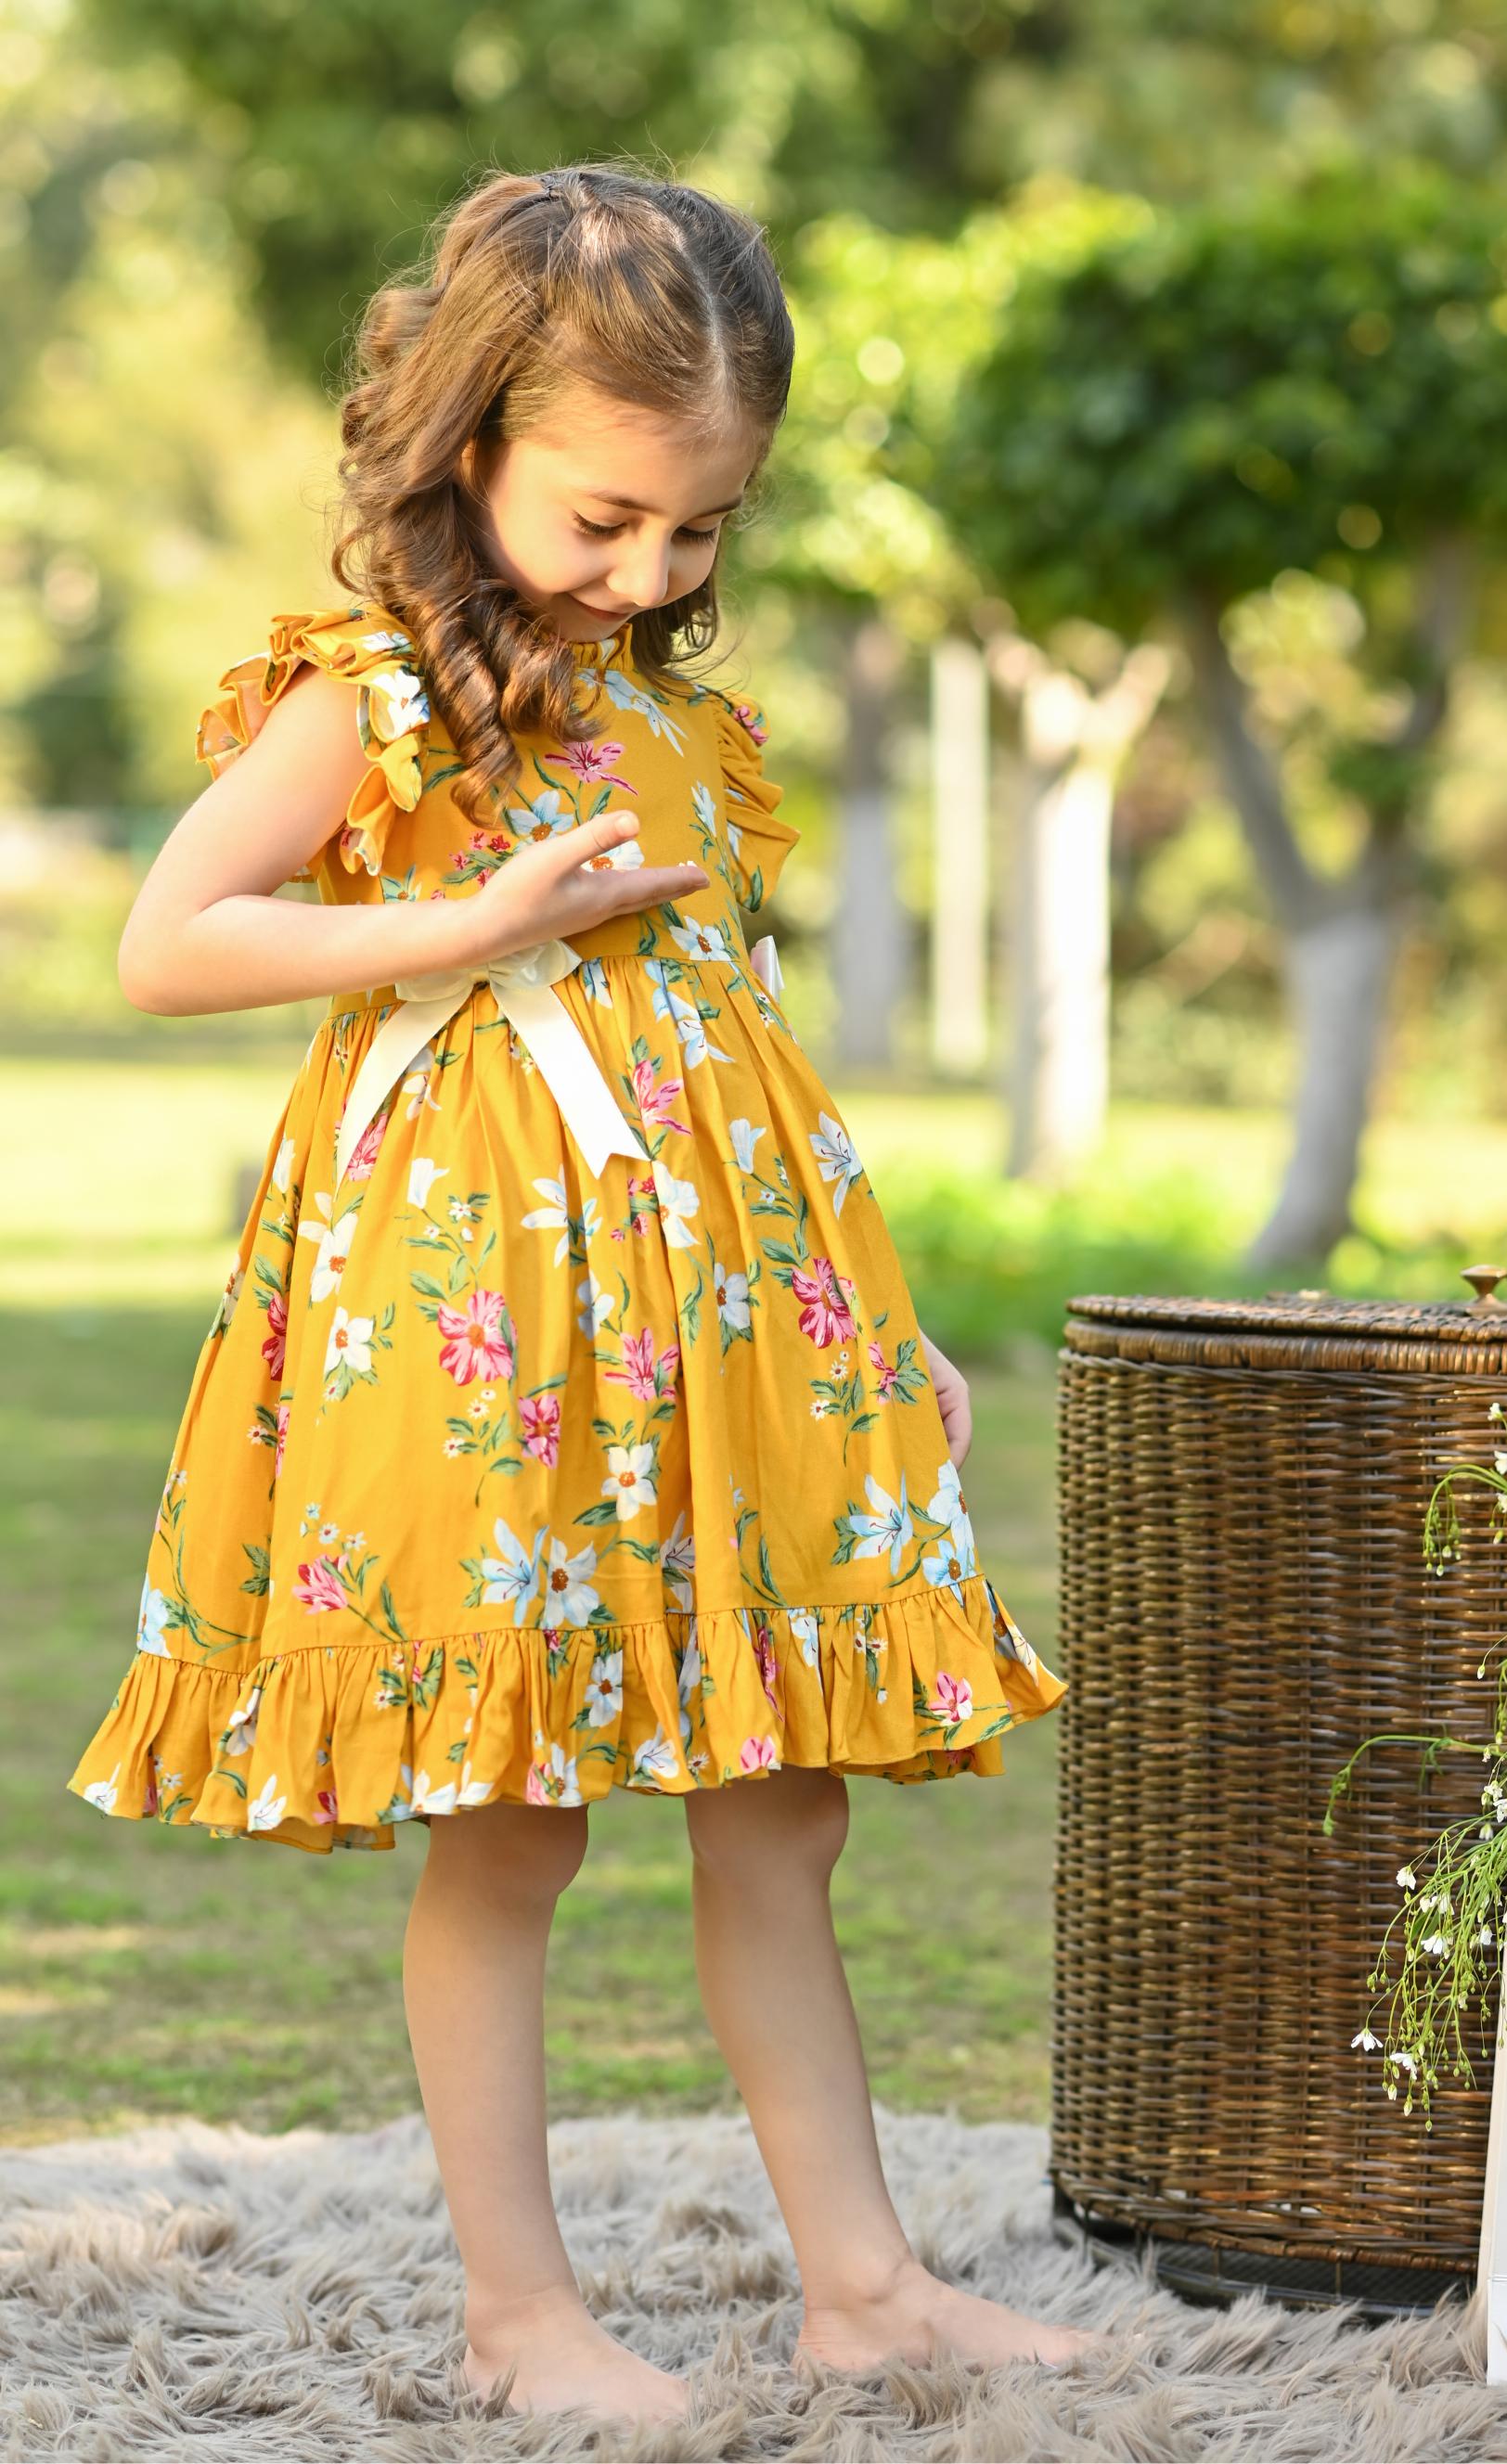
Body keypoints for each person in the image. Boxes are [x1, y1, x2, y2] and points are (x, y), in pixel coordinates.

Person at [64, 162, 1087, 2428]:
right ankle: (520, 2316)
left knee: (781, 1796)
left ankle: (864, 2284)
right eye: (607, 516)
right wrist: (457, 919)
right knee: (507, 1808)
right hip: (473, 1309)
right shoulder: (367, 698)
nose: (649, 573)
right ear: (469, 439)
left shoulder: (674, 723)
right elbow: (167, 944)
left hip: (728, 1316)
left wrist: (857, 1313)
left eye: (699, 532)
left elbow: (732, 1035)